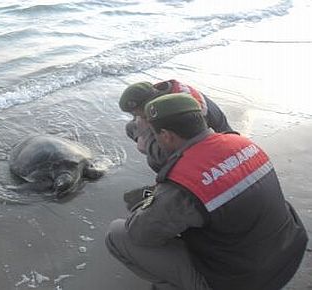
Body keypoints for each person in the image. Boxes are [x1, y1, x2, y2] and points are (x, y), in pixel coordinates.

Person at [106, 93, 308, 290]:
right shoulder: (243, 143)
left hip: (246, 281)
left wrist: (148, 200)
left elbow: (141, 233)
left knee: (118, 233)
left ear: (166, 135)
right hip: (288, 254)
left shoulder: (184, 184)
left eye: (155, 134)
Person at [119, 79, 233, 209]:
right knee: (131, 127)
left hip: (217, 153)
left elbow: (189, 141)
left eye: (135, 113)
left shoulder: (178, 109)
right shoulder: (164, 92)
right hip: (206, 137)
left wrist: (146, 139)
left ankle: (177, 185)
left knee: (156, 157)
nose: (134, 116)